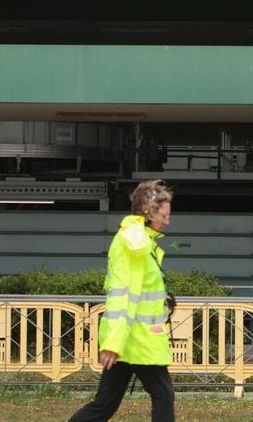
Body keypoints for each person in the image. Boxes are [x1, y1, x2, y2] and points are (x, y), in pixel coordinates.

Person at [69, 179, 177, 422]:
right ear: (149, 212)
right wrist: (113, 344)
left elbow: (140, 291)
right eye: (165, 215)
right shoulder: (134, 245)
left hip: (127, 340)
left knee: (104, 404)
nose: (168, 221)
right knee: (163, 394)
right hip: (137, 341)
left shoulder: (139, 241)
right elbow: (123, 294)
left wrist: (164, 300)